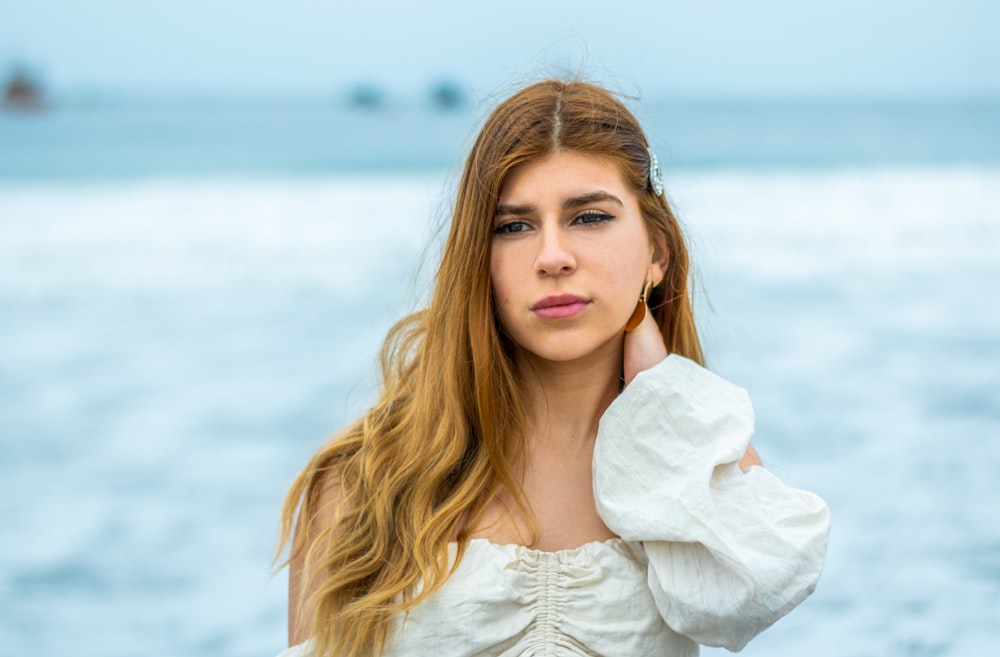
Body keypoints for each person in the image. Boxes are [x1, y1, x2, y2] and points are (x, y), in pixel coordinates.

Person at [275, 79, 830, 657]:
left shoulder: (696, 455)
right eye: (513, 226)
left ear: (657, 255)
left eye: (589, 217)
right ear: (478, 261)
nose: (553, 256)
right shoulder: (364, 476)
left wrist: (657, 393)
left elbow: (752, 598)